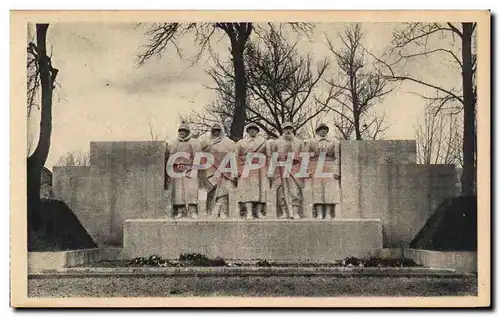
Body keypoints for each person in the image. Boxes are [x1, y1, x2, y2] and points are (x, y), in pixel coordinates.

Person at [165, 121, 202, 219]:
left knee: (191, 190)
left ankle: (193, 211)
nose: (182, 133)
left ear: (187, 132)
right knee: (178, 192)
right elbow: (170, 157)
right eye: (180, 131)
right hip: (177, 170)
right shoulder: (174, 143)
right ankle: (180, 211)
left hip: (190, 169)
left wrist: (191, 168)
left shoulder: (194, 142)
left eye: (184, 131)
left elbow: (198, 157)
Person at [268, 121, 305, 219]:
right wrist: (271, 171)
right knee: (281, 191)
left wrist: (304, 170)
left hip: (294, 167)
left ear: (292, 129)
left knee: (294, 191)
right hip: (280, 167)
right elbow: (273, 156)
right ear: (283, 130)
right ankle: (284, 212)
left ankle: (296, 212)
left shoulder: (299, 142)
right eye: (285, 128)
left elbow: (304, 157)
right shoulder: (276, 142)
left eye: (289, 128)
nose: (288, 130)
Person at [306, 123, 341, 220]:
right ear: (317, 131)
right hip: (315, 166)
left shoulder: (334, 142)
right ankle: (319, 213)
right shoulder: (311, 142)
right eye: (321, 129)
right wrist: (307, 171)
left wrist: (337, 171)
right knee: (317, 190)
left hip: (329, 166)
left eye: (325, 129)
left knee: (329, 190)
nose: (323, 131)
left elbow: (337, 157)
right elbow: (306, 156)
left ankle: (328, 213)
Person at [201, 122, 236, 219]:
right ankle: (210, 211)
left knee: (223, 192)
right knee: (211, 191)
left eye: (218, 130)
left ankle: (224, 212)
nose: (216, 132)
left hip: (224, 171)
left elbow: (233, 156)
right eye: (214, 130)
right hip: (210, 171)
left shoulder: (229, 142)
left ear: (221, 131)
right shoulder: (205, 142)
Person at [235, 122, 268, 220]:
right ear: (248, 131)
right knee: (247, 191)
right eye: (250, 129)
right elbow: (236, 156)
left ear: (257, 131)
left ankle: (258, 212)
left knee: (260, 191)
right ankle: (249, 213)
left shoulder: (264, 142)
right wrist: (237, 170)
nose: (252, 131)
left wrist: (270, 169)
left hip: (260, 168)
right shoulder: (241, 142)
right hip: (246, 168)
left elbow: (269, 156)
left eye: (254, 129)